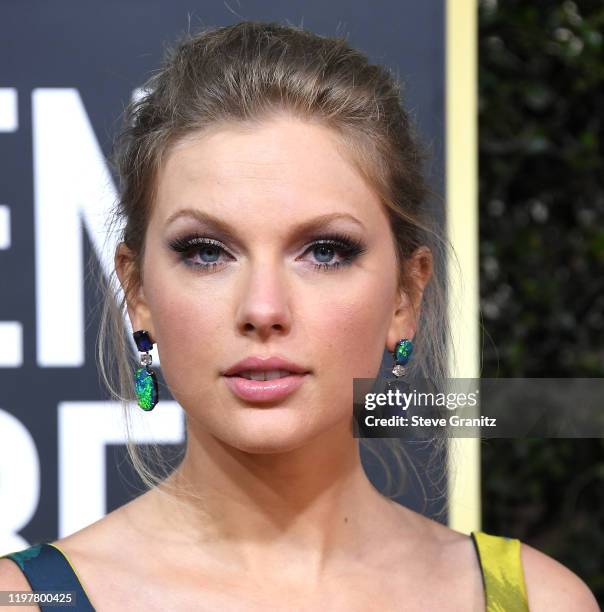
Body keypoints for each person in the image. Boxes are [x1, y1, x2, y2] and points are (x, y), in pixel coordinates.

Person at [1, 20, 598, 611]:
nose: (264, 309)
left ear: (404, 299)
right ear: (138, 293)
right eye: (207, 252)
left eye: (325, 252)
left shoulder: (538, 601)